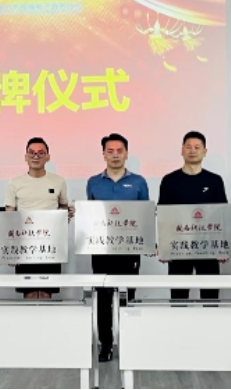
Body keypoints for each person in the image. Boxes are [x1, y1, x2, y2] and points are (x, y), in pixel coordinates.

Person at [86, 133, 148, 362]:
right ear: (103, 154)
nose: (115, 155)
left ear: (126, 154)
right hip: (101, 252)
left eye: (119, 151)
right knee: (103, 299)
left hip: (129, 252)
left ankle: (129, 342)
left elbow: (145, 215)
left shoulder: (139, 182)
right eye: (110, 151)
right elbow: (91, 216)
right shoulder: (93, 182)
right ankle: (106, 345)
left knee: (127, 297)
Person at [158, 131, 228, 299]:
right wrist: (163, 247)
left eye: (197, 147)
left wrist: (224, 247)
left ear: (205, 151)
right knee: (178, 296)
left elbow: (223, 215)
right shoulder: (169, 180)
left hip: (208, 246)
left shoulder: (214, 180)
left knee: (210, 296)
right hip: (179, 247)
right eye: (188, 147)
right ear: (182, 150)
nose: (192, 151)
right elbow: (164, 216)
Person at [5, 137, 70, 299]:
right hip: (24, 245)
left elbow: (64, 208)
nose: (36, 156)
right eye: (32, 153)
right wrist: (11, 249)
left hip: (50, 245)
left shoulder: (58, 181)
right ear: (25, 157)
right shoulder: (15, 183)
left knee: (47, 292)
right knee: (30, 293)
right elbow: (9, 218)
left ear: (48, 157)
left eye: (41, 153)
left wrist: (67, 215)